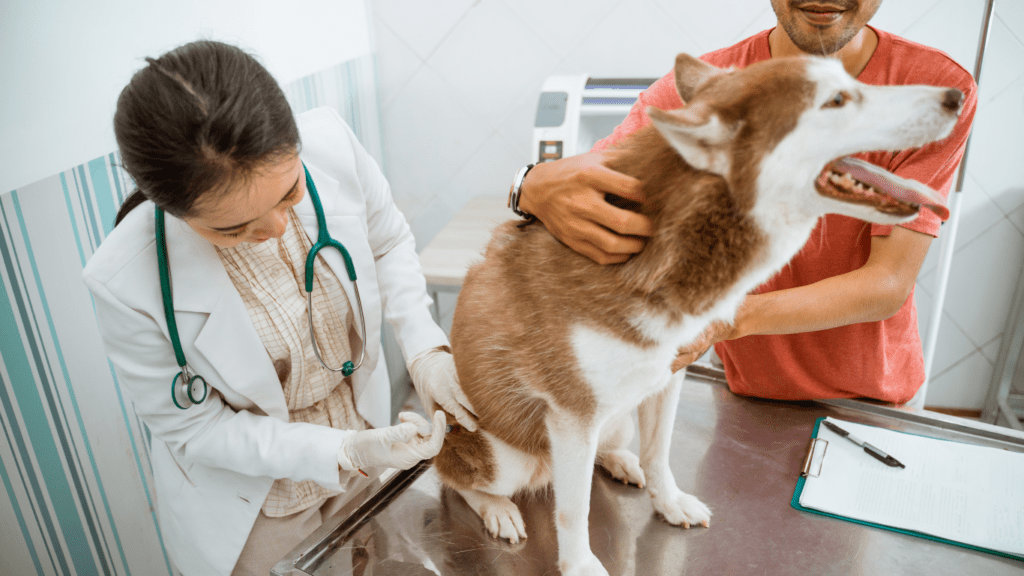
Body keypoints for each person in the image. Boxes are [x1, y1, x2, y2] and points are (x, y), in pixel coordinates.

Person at [82, 41, 476, 576]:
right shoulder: (124, 280)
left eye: (288, 192)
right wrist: (348, 449)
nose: (274, 230)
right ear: (170, 209)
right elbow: (199, 430)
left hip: (367, 448)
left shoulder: (331, 142)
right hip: (255, 504)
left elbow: (387, 242)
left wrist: (425, 347)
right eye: (232, 228)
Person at [511, 0, 977, 405]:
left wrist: (720, 321)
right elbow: (585, 196)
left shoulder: (937, 88)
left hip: (873, 397)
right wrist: (528, 186)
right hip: (748, 391)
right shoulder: (709, 95)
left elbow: (886, 284)